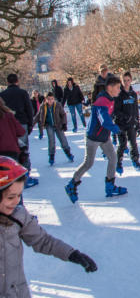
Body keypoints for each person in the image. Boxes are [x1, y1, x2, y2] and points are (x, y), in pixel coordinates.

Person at [0, 157, 97, 297]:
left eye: (19, 195)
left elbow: (43, 241)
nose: (16, 201)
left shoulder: (19, 216)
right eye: (10, 197)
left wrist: (71, 254)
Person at [64, 76, 127, 203]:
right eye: (118, 87)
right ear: (109, 88)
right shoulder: (101, 101)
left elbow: (111, 115)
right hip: (93, 137)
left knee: (113, 159)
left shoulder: (110, 99)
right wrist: (116, 129)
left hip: (104, 137)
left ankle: (110, 186)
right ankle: (72, 184)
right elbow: (104, 121)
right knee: (89, 163)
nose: (119, 90)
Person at [0, 74, 36, 188]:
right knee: (23, 151)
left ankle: (13, 176)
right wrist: (30, 124)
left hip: (6, 126)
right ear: (17, 81)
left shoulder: (3, 95)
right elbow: (29, 109)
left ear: (7, 82)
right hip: (21, 122)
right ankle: (24, 176)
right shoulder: (22, 93)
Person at [113, 71, 140, 175]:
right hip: (121, 123)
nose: (126, 82)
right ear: (121, 81)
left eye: (128, 80)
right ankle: (118, 163)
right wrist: (124, 117)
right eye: (124, 80)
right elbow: (115, 110)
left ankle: (136, 161)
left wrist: (138, 123)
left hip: (131, 123)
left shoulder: (133, 94)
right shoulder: (118, 94)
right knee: (122, 144)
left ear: (131, 80)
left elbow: (135, 110)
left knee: (133, 143)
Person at [34, 92, 73, 166]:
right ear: (45, 99)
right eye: (48, 99)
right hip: (49, 126)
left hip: (58, 125)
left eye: (52, 99)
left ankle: (68, 153)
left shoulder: (57, 105)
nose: (50, 101)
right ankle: (51, 156)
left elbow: (63, 114)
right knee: (51, 141)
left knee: (63, 139)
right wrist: (31, 124)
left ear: (54, 99)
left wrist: (64, 124)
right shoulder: (43, 106)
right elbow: (37, 116)